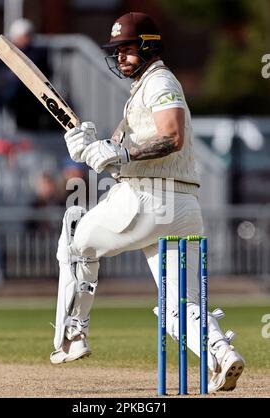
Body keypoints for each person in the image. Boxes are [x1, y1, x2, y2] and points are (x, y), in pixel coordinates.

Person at [50, 12, 245, 393]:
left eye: (127, 48)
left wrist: (117, 154)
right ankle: (222, 354)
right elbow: (123, 147)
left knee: (76, 230)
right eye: (117, 50)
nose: (120, 57)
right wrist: (90, 146)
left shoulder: (160, 81)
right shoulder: (142, 90)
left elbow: (171, 135)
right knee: (178, 306)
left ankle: (74, 335)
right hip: (183, 208)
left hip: (147, 200)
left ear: (149, 44)